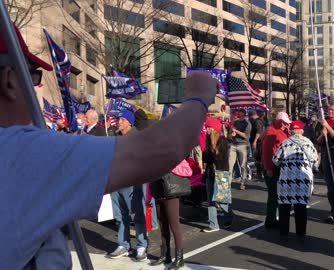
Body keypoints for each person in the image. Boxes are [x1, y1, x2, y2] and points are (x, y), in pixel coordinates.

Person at [0, 23, 218, 269]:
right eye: (32, 75)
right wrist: (199, 96)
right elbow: (162, 148)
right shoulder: (19, 150)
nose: (36, 86)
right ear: (9, 80)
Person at [106, 109, 149, 261]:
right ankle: (123, 244)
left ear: (129, 122)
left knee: (137, 214)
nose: (119, 122)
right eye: (119, 119)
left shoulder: (137, 137)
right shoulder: (116, 137)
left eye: (122, 120)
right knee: (119, 216)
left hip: (132, 182)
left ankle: (142, 245)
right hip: (117, 181)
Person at [273, 120, 318, 237]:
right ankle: (301, 233)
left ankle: (283, 233)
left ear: (291, 131)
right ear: (302, 131)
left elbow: (276, 160)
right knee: (301, 206)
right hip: (303, 179)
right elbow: (315, 161)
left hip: (287, 180)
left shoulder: (285, 142)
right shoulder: (308, 143)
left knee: (284, 206)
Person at [202, 118, 232, 232]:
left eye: (208, 127)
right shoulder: (208, 141)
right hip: (210, 173)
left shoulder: (222, 141)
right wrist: (210, 154)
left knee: (221, 200)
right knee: (210, 199)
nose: (206, 129)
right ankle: (213, 224)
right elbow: (206, 158)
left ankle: (229, 215)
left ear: (214, 128)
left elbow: (220, 159)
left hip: (221, 173)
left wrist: (211, 154)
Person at [261, 112, 290, 229]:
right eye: (284, 123)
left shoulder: (283, 131)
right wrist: (268, 168)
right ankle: (270, 220)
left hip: (280, 166)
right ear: (279, 122)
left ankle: (273, 219)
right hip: (273, 166)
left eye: (287, 123)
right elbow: (267, 152)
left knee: (277, 195)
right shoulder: (271, 131)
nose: (286, 125)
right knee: (273, 195)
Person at [228, 108, 251, 190]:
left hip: (242, 145)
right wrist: (232, 134)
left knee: (242, 165)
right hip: (233, 144)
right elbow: (230, 133)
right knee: (230, 164)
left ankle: (242, 182)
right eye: (238, 113)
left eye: (240, 113)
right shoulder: (235, 122)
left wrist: (236, 131)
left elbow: (246, 136)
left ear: (244, 114)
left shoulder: (247, 123)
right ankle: (228, 183)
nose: (238, 114)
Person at [249, 110, 264, 180]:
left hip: (258, 142)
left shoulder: (257, 121)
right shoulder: (258, 121)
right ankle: (259, 174)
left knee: (257, 158)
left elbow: (258, 132)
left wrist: (254, 141)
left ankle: (260, 174)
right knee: (257, 158)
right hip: (258, 141)